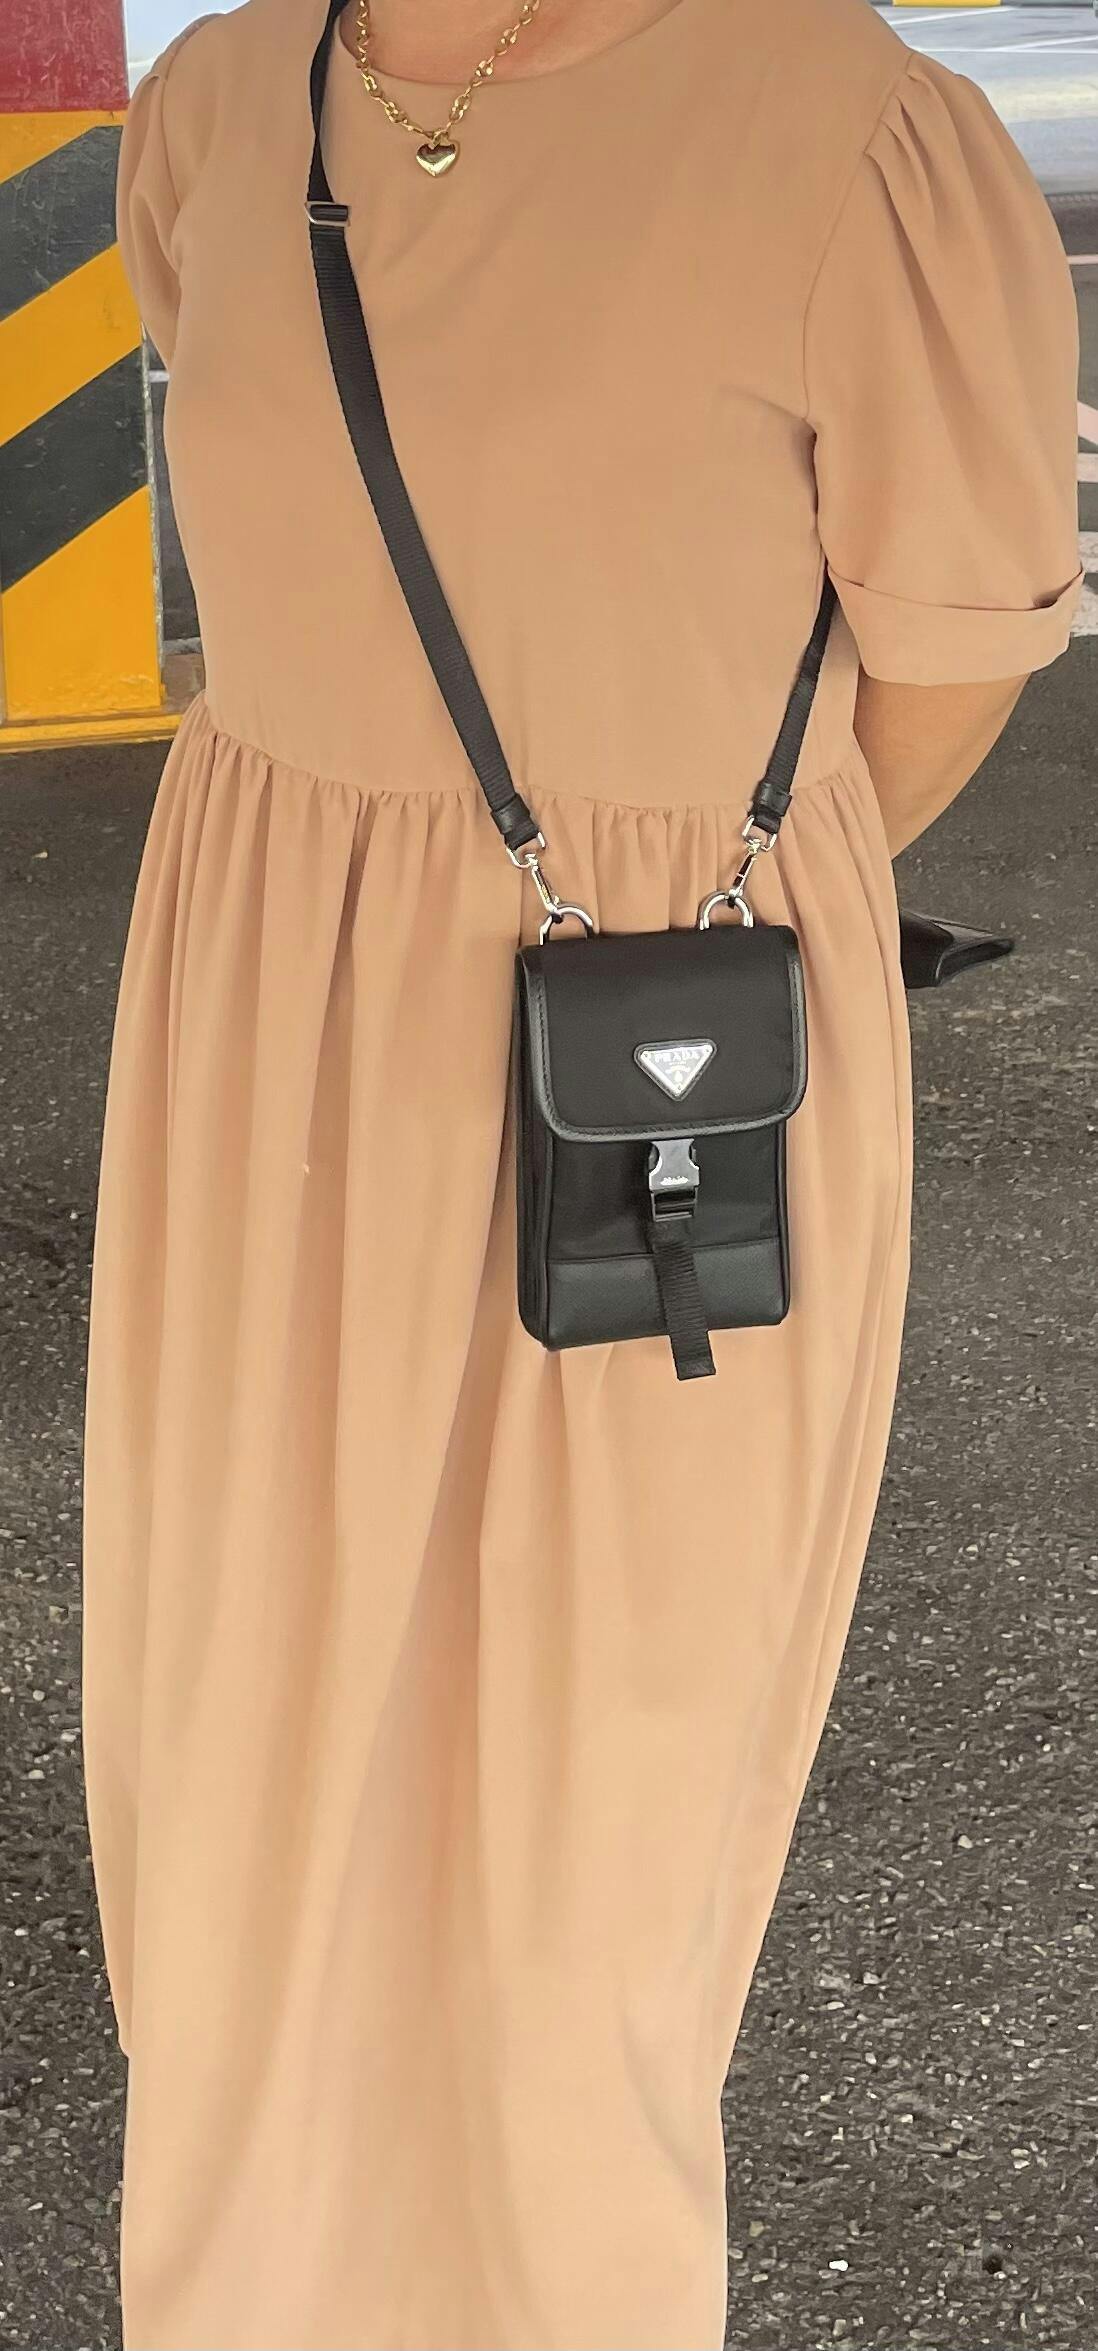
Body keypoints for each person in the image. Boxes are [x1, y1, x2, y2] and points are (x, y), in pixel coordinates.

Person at [82, 0, 1081, 2343]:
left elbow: (938, 677)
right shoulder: (219, 103)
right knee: (239, 1739)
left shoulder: (858, 136)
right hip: (261, 1029)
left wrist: (657, 879)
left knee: (589, 1773)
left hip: (642, 1063)